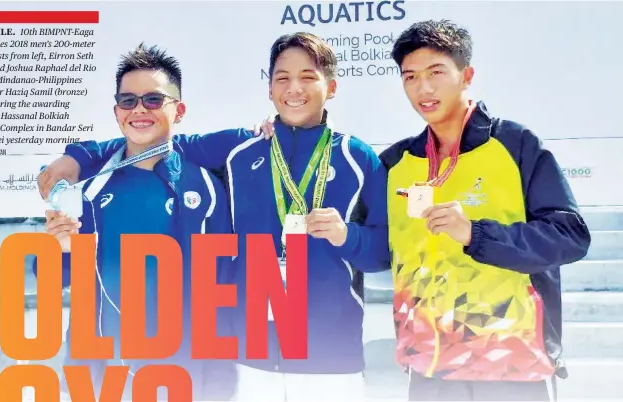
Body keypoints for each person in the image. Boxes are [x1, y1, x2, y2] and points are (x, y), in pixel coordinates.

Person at [37, 32, 390, 401]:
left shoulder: (358, 157)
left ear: (331, 87)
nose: (294, 88)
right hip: (251, 365)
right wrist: (76, 156)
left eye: (308, 77)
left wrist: (346, 236)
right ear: (269, 89)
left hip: (332, 359)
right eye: (283, 78)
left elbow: (382, 253)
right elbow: (150, 141)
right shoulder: (239, 149)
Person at [378, 20, 591, 401]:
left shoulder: (515, 144)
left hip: (511, 365)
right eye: (410, 77)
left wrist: (476, 234)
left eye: (436, 73)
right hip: (430, 368)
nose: (423, 88)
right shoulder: (396, 162)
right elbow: (368, 240)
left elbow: (570, 236)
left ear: (467, 75)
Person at [36, 43, 236, 401]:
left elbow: (223, 288)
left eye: (154, 100)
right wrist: (60, 248)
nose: (140, 109)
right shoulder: (88, 190)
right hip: (102, 379)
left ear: (180, 110)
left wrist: (220, 380)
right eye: (128, 101)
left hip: (186, 376)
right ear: (117, 112)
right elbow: (52, 278)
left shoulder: (207, 189)